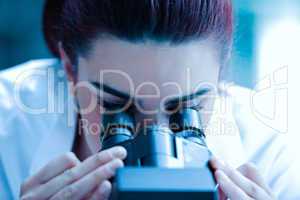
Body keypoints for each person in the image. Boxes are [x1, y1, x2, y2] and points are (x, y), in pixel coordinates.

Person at [0, 0, 299, 199]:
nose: (153, 139)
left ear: (221, 79)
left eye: (186, 108)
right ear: (69, 69)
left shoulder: (270, 150)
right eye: (116, 107)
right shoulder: (7, 124)